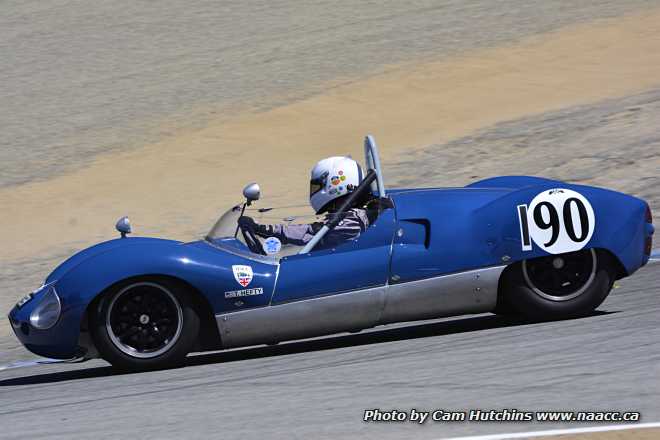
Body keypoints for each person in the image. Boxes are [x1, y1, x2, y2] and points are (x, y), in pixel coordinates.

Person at [238, 156, 371, 249]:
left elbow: (308, 233)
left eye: (316, 187)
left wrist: (262, 229)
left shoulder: (351, 222)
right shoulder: (351, 214)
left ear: (335, 184)